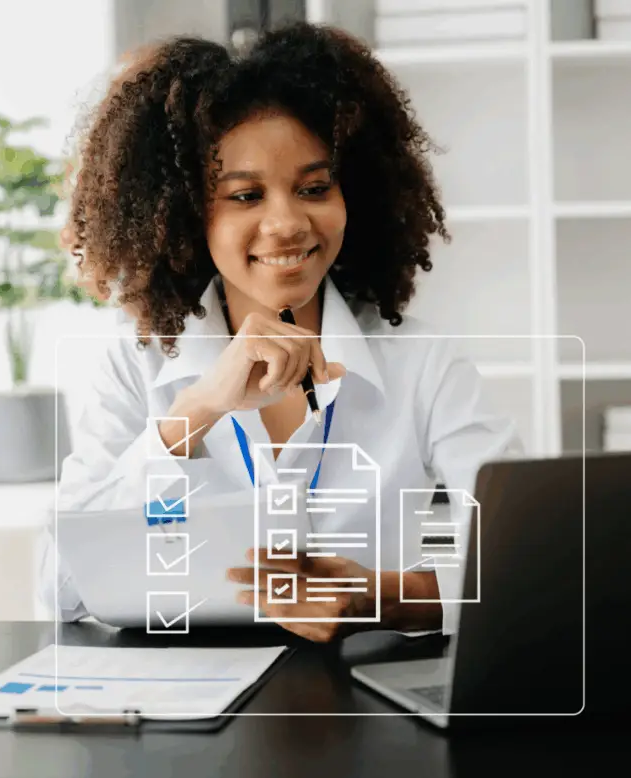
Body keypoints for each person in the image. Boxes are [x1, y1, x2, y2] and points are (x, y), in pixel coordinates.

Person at [40, 21, 523, 641]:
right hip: (186, 708)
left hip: (368, 706)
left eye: (314, 188)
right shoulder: (136, 365)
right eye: (245, 196)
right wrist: (198, 410)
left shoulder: (421, 362)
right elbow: (60, 589)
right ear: (188, 216)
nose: (288, 222)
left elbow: (528, 559)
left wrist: (381, 595)